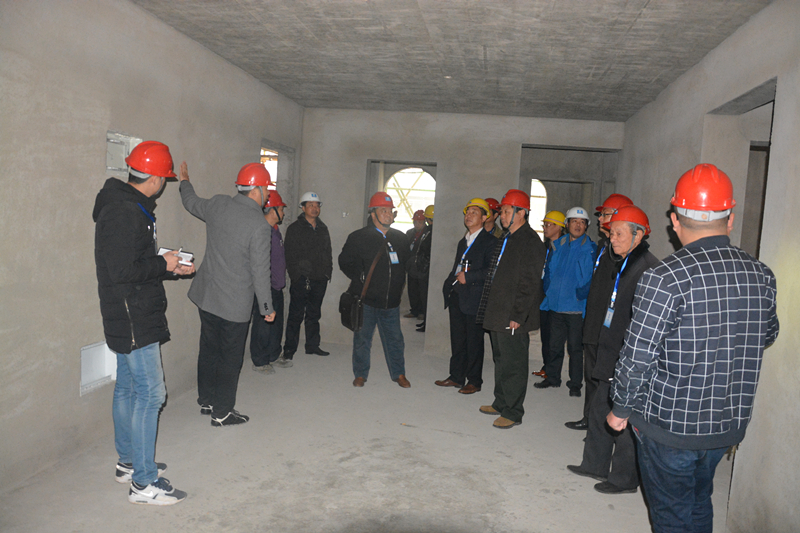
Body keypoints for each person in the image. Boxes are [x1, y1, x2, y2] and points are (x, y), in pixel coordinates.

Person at [608, 164, 778, 532]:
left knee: (671, 514)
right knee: (700, 500)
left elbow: (638, 355)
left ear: (674, 220)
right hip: (726, 425)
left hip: (670, 428)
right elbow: (767, 334)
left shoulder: (664, 277)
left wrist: (620, 407)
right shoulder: (761, 275)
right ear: (730, 218)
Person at [93, 140, 191, 505]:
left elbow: (131, 262)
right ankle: (144, 484)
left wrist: (166, 264)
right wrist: (162, 264)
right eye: (165, 177)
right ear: (156, 179)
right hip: (134, 315)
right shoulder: (125, 212)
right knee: (151, 394)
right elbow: (123, 271)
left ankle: (129, 463)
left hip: (127, 311)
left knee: (128, 388)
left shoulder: (125, 205)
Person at [567, 205, 658, 495]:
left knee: (627, 421)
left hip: (629, 357)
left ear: (638, 235)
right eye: (611, 233)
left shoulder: (647, 269)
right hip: (611, 351)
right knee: (599, 410)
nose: (611, 238)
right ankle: (594, 464)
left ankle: (623, 479)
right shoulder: (621, 261)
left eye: (618, 233)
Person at [180, 162, 276, 427]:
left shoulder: (219, 204)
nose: (268, 194)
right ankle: (222, 412)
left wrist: (185, 181)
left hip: (207, 297)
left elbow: (190, 202)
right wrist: (267, 307)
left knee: (209, 349)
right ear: (256, 189)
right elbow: (260, 272)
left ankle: (207, 400)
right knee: (230, 358)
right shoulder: (259, 225)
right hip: (234, 305)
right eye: (266, 188)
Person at [477, 189, 546, 429]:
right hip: (498, 310)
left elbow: (530, 283)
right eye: (503, 211)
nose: (502, 216)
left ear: (521, 213)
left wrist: (518, 315)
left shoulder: (530, 242)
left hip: (513, 314)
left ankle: (514, 411)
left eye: (507, 211)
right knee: (501, 359)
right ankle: (501, 402)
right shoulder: (507, 237)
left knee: (514, 363)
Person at [565, 194, 633, 431]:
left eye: (604, 214)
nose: (599, 219)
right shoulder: (604, 247)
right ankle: (590, 418)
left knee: (602, 379)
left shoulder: (620, 253)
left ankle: (597, 426)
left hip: (606, 328)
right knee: (591, 376)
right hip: (593, 322)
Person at [339, 192, 411, 388]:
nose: (388, 214)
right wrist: (359, 275)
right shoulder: (358, 237)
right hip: (367, 301)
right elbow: (344, 261)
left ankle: (399, 373)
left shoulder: (400, 238)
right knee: (362, 339)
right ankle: (360, 374)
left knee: (395, 340)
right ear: (373, 214)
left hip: (391, 302)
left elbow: (407, 263)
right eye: (383, 210)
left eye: (390, 211)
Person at [435, 198, 497, 394]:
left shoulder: (491, 242)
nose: (468, 216)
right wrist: (449, 285)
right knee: (458, 340)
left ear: (485, 218)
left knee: (474, 342)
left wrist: (468, 277)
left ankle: (474, 381)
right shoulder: (464, 241)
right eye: (467, 212)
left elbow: (492, 271)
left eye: (474, 213)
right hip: (457, 295)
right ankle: (456, 376)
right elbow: (458, 266)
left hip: (475, 298)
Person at [535, 206, 596, 396]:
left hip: (575, 308)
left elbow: (593, 278)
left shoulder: (590, 248)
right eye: (574, 221)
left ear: (586, 226)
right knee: (554, 345)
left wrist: (579, 294)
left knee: (575, 349)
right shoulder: (558, 244)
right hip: (555, 306)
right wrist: (549, 290)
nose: (578, 225)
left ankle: (575, 384)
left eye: (582, 222)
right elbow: (549, 270)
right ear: (567, 224)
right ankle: (552, 378)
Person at [283, 192, 333, 358]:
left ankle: (312, 346)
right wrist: (296, 275)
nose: (314, 208)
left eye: (317, 205)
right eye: (310, 205)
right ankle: (289, 349)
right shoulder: (294, 229)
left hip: (319, 279)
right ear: (303, 208)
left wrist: (327, 272)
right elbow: (288, 255)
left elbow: (328, 252)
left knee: (314, 314)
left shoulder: (323, 228)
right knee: (295, 315)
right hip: (301, 279)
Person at [250, 191, 289, 372]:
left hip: (277, 286)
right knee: (263, 326)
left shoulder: (275, 231)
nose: (283, 213)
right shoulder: (261, 231)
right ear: (272, 210)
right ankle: (260, 361)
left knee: (276, 324)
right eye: (281, 209)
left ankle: (273, 354)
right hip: (265, 287)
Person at [533, 210, 566, 380]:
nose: (545, 228)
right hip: (543, 296)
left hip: (557, 298)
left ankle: (553, 372)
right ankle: (546, 367)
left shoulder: (564, 247)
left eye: (548, 225)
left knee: (555, 338)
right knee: (545, 335)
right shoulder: (544, 246)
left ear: (559, 227)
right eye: (544, 225)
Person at [410, 204, 434, 331]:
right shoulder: (428, 231)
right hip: (422, 267)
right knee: (422, 295)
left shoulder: (431, 232)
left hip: (426, 268)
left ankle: (426, 322)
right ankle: (425, 322)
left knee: (425, 297)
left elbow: (426, 250)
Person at [404, 209, 427, 319]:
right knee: (412, 289)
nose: (417, 224)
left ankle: (422, 311)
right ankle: (414, 310)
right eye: (415, 222)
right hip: (411, 265)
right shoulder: (409, 233)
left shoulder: (427, 234)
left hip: (422, 266)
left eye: (420, 222)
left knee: (421, 290)